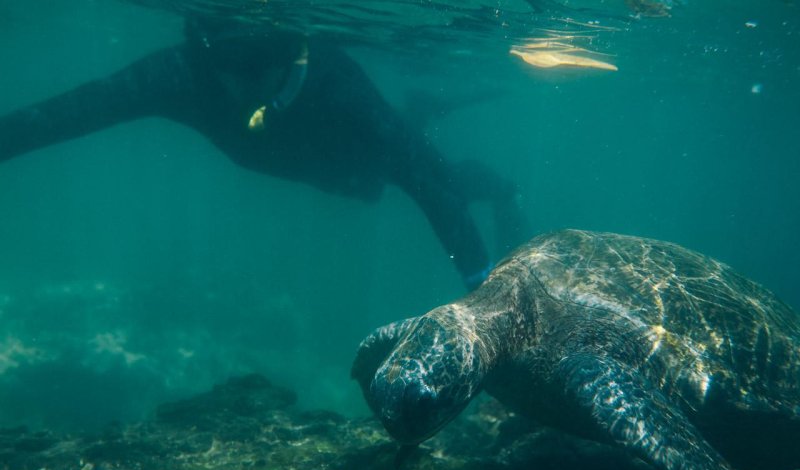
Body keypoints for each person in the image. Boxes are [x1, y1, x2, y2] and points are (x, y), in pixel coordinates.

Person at [0, 18, 527, 289]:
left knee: (439, 177)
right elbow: (73, 112)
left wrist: (487, 299)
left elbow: (424, 184)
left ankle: (503, 188)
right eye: (228, 71)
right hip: (332, 171)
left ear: (287, 57)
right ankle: (421, 111)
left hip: (360, 156)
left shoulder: (336, 83)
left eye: (256, 76)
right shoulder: (184, 73)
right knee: (390, 174)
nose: (241, 95)